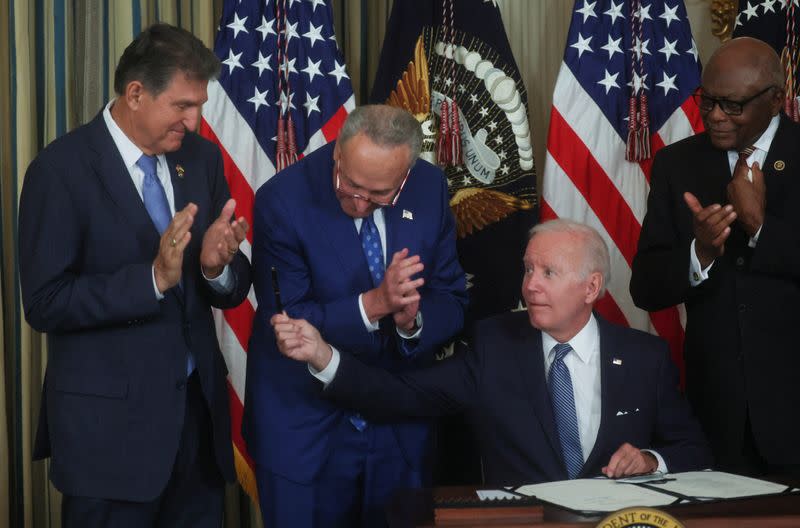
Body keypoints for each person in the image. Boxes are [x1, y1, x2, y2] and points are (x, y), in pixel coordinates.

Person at [17, 24, 251, 527]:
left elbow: (224, 281)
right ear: (136, 93)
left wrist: (217, 267)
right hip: (109, 440)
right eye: (182, 106)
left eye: (199, 105)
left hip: (195, 425)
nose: (194, 121)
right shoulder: (59, 171)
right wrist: (151, 280)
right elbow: (44, 301)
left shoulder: (202, 159)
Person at [273, 219, 712, 486]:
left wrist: (651, 460)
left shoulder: (644, 357)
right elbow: (402, 394)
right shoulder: (495, 345)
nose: (530, 285)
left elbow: (693, 449)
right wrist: (323, 356)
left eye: (548, 273)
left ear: (591, 288)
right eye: (527, 269)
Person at [243, 105, 467, 527]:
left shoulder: (429, 187)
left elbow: (452, 298)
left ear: (405, 176)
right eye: (350, 185)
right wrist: (374, 305)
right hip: (307, 429)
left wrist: (411, 322)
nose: (360, 202)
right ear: (338, 156)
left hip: (399, 429)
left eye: (379, 194)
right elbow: (290, 321)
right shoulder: (283, 199)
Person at [631, 37, 800, 476]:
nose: (716, 116)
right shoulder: (676, 164)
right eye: (708, 102)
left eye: (732, 105)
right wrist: (700, 252)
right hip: (715, 416)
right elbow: (645, 287)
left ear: (776, 100)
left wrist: (760, 226)